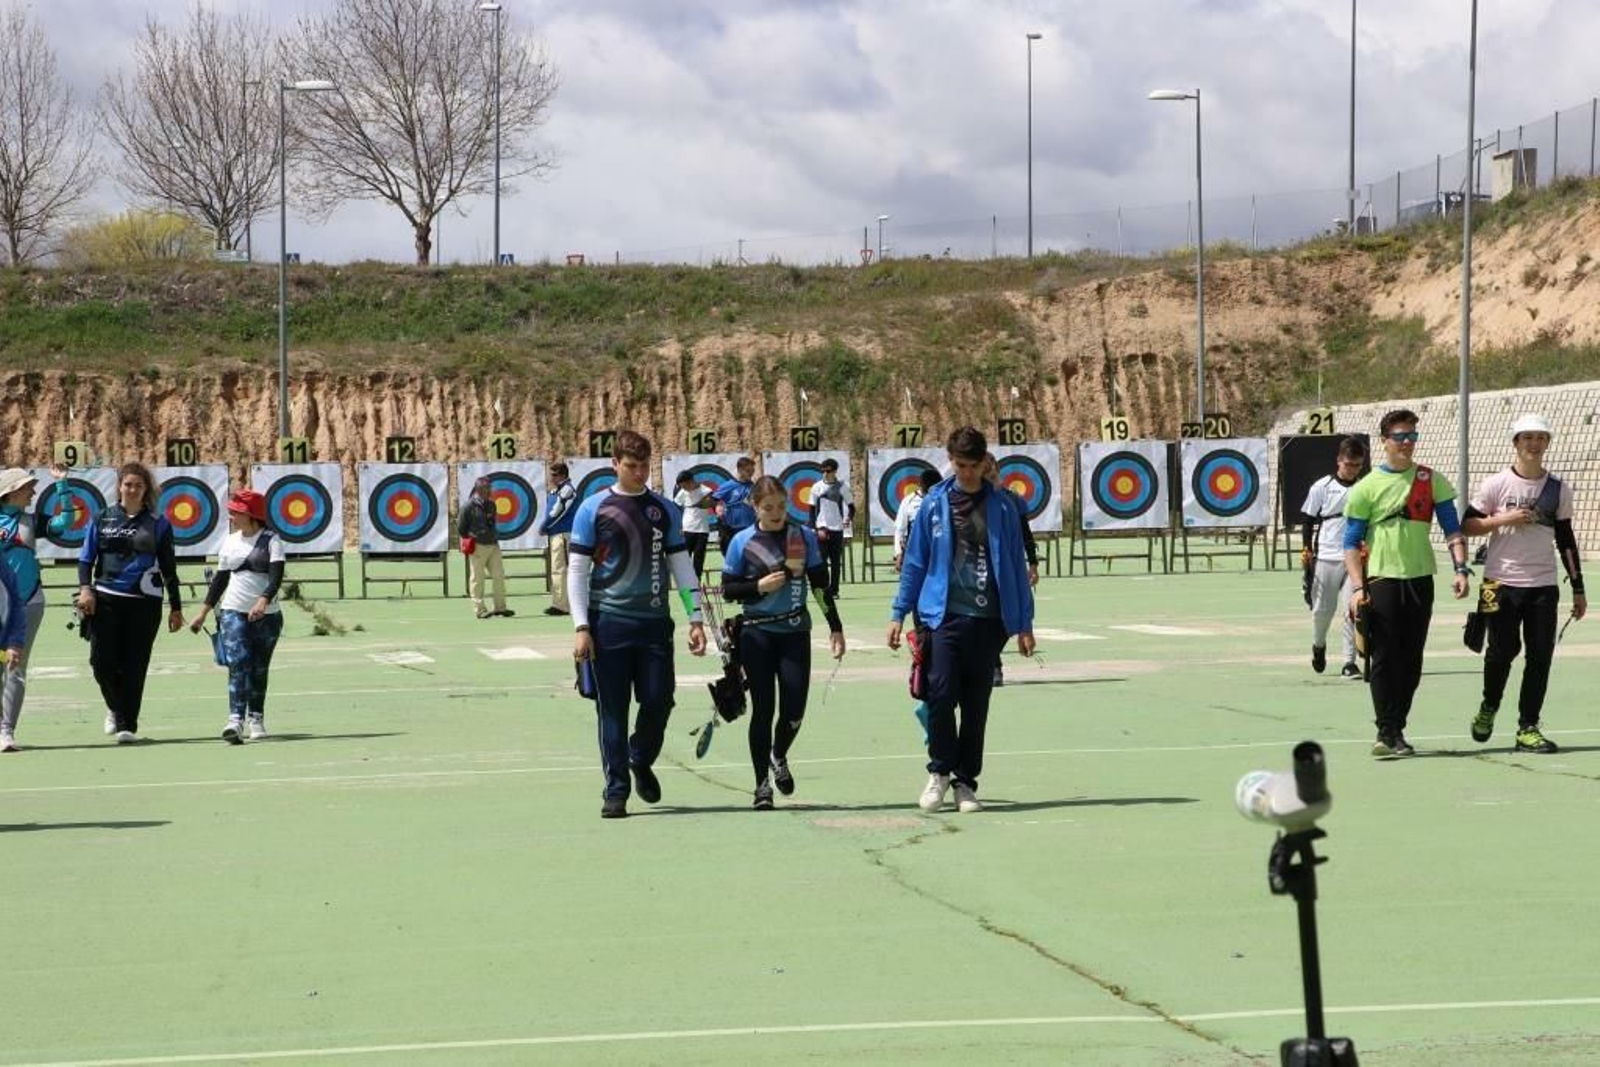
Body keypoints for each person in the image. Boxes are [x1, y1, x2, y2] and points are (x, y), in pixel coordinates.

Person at [887, 427, 1036, 812]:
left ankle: (965, 782)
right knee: (939, 696)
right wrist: (898, 612)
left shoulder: (1004, 506)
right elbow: (916, 561)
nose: (967, 473)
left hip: (989, 621)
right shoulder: (934, 503)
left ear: (985, 461)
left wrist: (1024, 624)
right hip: (942, 617)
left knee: (976, 704)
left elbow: (1017, 570)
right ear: (950, 461)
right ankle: (938, 772)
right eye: (959, 465)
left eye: (973, 465)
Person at [569, 431, 707, 819]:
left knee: (660, 700)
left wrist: (695, 617)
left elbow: (682, 566)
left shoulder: (664, 509)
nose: (639, 473)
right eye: (631, 466)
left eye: (645, 465)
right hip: (607, 624)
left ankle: (640, 756)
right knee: (612, 711)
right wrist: (582, 626)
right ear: (614, 464)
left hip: (654, 625)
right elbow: (577, 570)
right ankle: (616, 790)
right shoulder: (593, 509)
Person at [1343, 409, 1470, 758]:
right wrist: (1357, 588)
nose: (1406, 444)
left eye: (1412, 437)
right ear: (1384, 442)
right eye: (1399, 437)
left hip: (1419, 577)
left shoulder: (1431, 479)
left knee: (1412, 658)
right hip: (1381, 579)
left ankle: (1397, 725)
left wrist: (1461, 568)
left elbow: (1451, 528)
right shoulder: (1365, 488)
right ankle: (1386, 731)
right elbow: (1351, 543)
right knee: (1384, 655)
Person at [1462, 414, 1585, 753]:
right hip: (1496, 582)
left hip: (1543, 584)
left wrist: (1578, 588)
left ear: (1547, 443)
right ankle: (1489, 706)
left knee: (1540, 655)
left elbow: (1566, 538)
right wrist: (1504, 519)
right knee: (1501, 651)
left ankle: (1528, 726)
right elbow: (1468, 524)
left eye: (1540, 437)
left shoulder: (1558, 489)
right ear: (1515, 442)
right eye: (1527, 437)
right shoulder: (1495, 485)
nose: (1533, 443)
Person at [722, 476, 846, 809]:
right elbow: (728, 590)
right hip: (756, 634)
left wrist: (835, 626)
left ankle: (779, 754)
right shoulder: (741, 541)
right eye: (768, 507)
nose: (776, 513)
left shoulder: (802, 536)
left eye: (781, 505)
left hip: (794, 633)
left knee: (794, 711)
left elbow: (819, 584)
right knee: (763, 710)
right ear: (754, 506)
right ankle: (762, 785)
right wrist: (757, 587)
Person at [77, 462, 184, 744]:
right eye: (128, 484)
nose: (133, 490)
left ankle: (127, 724)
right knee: (101, 662)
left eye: (138, 485)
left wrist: (176, 607)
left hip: (144, 603)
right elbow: (86, 559)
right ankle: (115, 707)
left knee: (135, 664)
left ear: (146, 489)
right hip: (105, 600)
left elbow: (169, 568)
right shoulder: (102, 518)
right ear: (119, 487)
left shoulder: (159, 523)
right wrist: (85, 590)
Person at [188, 489, 286, 743]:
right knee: (238, 662)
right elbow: (219, 580)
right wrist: (203, 613)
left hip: (267, 616)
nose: (231, 515)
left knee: (258, 668)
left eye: (237, 511)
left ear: (251, 514)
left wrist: (263, 601)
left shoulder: (272, 540)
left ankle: (256, 719)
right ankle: (235, 720)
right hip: (233, 612)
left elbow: (276, 577)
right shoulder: (230, 541)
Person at [1299, 437, 1367, 679]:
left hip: (1355, 557)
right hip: (1327, 556)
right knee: (1322, 611)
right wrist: (1307, 550)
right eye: (1349, 464)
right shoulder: (1322, 486)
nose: (1353, 470)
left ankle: (1349, 662)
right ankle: (1319, 644)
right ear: (1339, 461)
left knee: (1353, 609)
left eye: (1358, 466)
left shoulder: (1364, 487)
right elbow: (1308, 520)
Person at [982, 454, 1040, 687]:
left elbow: (1026, 535)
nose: (990, 479)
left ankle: (991, 662)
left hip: (1005, 569)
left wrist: (1033, 564)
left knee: (1002, 620)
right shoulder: (967, 502)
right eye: (986, 474)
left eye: (993, 473)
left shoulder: (1012, 500)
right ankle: (992, 665)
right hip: (978, 570)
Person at [0, 468, 45, 751]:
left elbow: (65, 524)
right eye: (28, 487)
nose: (33, 492)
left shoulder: (32, 519)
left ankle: (6, 731)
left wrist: (64, 487)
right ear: (11, 492)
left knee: (15, 667)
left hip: (28, 602)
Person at [459, 477, 513, 619]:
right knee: (477, 578)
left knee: (499, 576)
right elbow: (461, 529)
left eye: (490, 488)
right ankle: (480, 609)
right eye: (487, 488)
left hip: (493, 545)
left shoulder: (491, 505)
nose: (490, 491)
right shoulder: (468, 506)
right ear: (479, 490)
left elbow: (492, 523)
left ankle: (500, 607)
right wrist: (474, 537)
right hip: (478, 546)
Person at [808, 457, 853, 598]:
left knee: (835, 563)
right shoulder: (816, 487)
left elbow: (851, 507)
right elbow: (811, 509)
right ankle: (825, 587)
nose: (825, 474)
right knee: (821, 562)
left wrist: (848, 519)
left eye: (828, 471)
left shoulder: (842, 487)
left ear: (835, 471)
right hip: (822, 528)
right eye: (823, 471)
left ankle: (834, 590)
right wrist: (814, 528)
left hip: (837, 529)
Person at [541, 462, 577, 617]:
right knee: (557, 569)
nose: (551, 477)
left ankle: (563, 605)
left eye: (554, 475)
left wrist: (544, 526)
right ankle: (560, 603)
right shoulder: (557, 490)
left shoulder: (567, 489)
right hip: (557, 535)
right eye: (551, 474)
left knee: (561, 569)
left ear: (563, 475)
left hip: (563, 535)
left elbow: (558, 512)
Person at [893, 468, 941, 573]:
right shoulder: (908, 501)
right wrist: (898, 554)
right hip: (914, 554)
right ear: (920, 486)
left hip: (939, 553)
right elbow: (899, 530)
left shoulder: (943, 499)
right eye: (927, 490)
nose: (930, 494)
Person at [712, 456, 757, 556]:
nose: (751, 473)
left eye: (752, 470)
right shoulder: (728, 485)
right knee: (730, 556)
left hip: (749, 528)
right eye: (748, 470)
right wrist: (718, 509)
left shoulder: (753, 486)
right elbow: (712, 501)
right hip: (731, 529)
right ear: (740, 470)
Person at [673, 470, 714, 580]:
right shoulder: (683, 492)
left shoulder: (705, 490)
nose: (684, 488)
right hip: (687, 529)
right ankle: (685, 581)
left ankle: (697, 581)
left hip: (702, 529)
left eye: (685, 485)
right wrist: (679, 526)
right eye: (682, 486)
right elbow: (676, 506)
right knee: (685, 556)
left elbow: (713, 503)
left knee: (699, 558)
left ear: (691, 481)